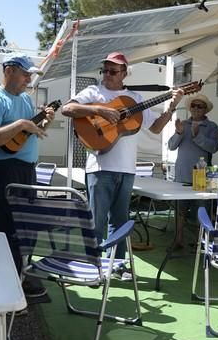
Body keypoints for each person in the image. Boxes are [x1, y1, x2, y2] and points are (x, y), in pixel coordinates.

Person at [62, 52, 183, 279]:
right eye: (105, 70)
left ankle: (117, 266)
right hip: (99, 166)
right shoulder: (94, 92)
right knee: (97, 220)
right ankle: (92, 265)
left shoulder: (134, 98)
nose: (107, 74)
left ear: (124, 74)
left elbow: (156, 128)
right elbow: (67, 109)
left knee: (120, 220)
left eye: (113, 71)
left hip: (127, 169)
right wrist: (99, 110)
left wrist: (172, 107)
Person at [0, 54, 56, 299]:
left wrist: (46, 123)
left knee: (25, 227)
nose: (29, 79)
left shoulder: (23, 98)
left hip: (25, 169)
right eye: (25, 74)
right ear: (9, 70)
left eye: (30, 75)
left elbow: (30, 134)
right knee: (8, 228)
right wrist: (21, 123)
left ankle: (19, 277)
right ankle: (5, 288)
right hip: (6, 171)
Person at [167, 93, 218, 249]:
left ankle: (201, 242)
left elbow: (214, 148)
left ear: (205, 110)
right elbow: (171, 146)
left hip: (205, 175)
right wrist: (179, 133)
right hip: (183, 173)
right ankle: (178, 240)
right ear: (190, 108)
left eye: (200, 106)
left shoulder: (212, 127)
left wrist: (197, 136)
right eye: (194, 106)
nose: (196, 109)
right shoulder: (183, 124)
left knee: (202, 209)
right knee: (180, 209)